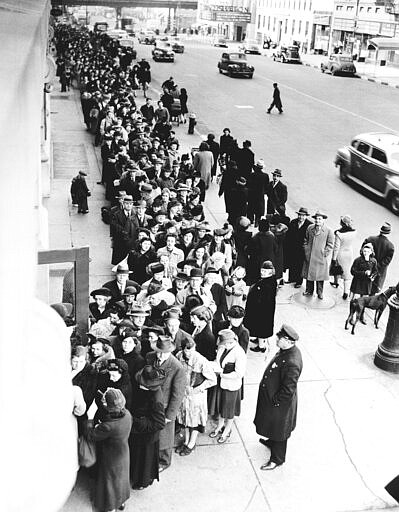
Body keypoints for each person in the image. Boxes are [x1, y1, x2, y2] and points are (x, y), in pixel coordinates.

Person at [254, 324, 303, 470]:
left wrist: (275, 401)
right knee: (273, 427)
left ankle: (277, 458)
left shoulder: (292, 362)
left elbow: (288, 390)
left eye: (279, 338)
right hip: (273, 400)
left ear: (289, 341)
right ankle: (272, 441)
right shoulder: (285, 351)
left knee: (279, 430)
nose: (276, 339)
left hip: (280, 405)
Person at [145, 335, 186, 472]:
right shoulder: (150, 357)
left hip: (165, 407)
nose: (160, 355)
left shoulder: (177, 367)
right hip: (150, 403)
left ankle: (164, 461)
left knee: (165, 436)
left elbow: (178, 394)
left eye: (164, 353)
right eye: (158, 351)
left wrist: (170, 415)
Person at [89, 388, 132, 511]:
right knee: (121, 479)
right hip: (123, 453)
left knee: (109, 483)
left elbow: (92, 436)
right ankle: (121, 502)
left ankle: (110, 507)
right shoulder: (127, 415)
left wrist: (91, 418)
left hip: (110, 458)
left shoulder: (108, 426)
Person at [175, 338, 217, 455]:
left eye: (192, 350)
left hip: (196, 397)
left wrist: (197, 389)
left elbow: (212, 380)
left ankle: (191, 444)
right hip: (184, 395)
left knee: (195, 421)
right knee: (186, 420)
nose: (190, 353)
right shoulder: (179, 356)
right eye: (187, 351)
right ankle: (186, 442)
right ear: (183, 349)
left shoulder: (201, 360)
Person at [130, 365, 166, 490]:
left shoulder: (156, 400)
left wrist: (138, 421)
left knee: (145, 461)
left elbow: (159, 423)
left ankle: (143, 481)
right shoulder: (147, 391)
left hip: (147, 435)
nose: (139, 385)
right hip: (140, 431)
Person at [208, 329, 246, 443]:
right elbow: (217, 360)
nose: (223, 346)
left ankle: (227, 429)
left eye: (225, 344)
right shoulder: (222, 348)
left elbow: (239, 373)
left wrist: (222, 374)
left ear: (231, 342)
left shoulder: (239, 353)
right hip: (221, 384)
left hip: (231, 386)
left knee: (229, 410)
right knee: (221, 408)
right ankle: (219, 426)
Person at [245, 261, 277, 354]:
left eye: (265, 271)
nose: (262, 272)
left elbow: (264, 299)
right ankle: (259, 339)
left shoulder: (268, 284)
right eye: (262, 270)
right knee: (258, 327)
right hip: (261, 310)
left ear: (270, 272)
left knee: (261, 328)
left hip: (262, 311)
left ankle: (261, 346)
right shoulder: (268, 281)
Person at [302, 210, 334, 300]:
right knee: (309, 275)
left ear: (323, 220)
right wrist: (306, 249)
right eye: (316, 219)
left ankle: (320, 293)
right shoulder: (310, 228)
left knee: (320, 277)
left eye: (320, 219)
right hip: (310, 256)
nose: (317, 221)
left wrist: (324, 253)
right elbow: (305, 239)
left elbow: (330, 245)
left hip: (320, 257)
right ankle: (309, 290)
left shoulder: (328, 231)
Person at [363, 222, 395, 295]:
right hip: (379, 271)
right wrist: (378, 266)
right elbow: (387, 260)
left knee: (363, 286)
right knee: (373, 289)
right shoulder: (390, 246)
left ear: (380, 231)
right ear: (389, 233)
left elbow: (362, 250)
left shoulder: (370, 239)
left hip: (367, 267)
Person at [285, 207, 312, 288]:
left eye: (303, 216)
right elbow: (289, 235)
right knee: (292, 262)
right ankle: (291, 278)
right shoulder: (293, 222)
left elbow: (309, 238)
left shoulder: (309, 225)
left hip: (302, 248)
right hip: (292, 246)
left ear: (306, 216)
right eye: (300, 215)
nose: (301, 217)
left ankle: (298, 281)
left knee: (300, 264)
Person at [331, 215, 357, 300]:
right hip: (349, 253)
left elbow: (336, 247)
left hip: (341, 253)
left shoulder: (339, 234)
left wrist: (334, 258)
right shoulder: (354, 232)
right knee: (347, 273)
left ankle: (336, 282)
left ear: (342, 223)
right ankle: (346, 292)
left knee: (336, 267)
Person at [110, 195, 140, 265]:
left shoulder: (135, 214)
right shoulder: (117, 214)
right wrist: (124, 231)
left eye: (130, 204)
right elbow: (115, 226)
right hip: (120, 240)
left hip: (132, 240)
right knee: (119, 258)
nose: (129, 206)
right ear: (123, 204)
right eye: (126, 203)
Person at [247, 160, 269, 227]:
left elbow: (248, 185)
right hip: (260, 196)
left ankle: (251, 221)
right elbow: (266, 187)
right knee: (258, 210)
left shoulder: (252, 175)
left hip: (252, 195)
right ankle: (257, 222)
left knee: (251, 208)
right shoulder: (265, 176)